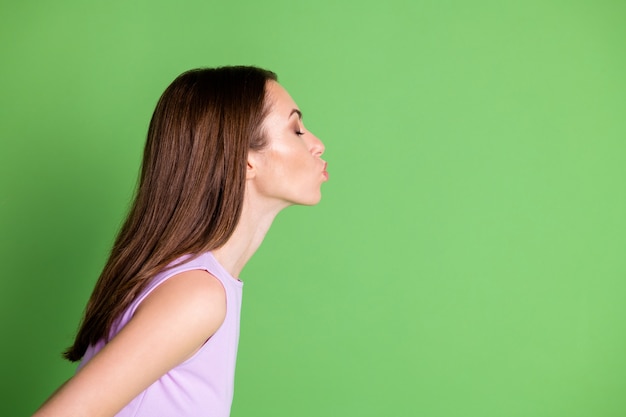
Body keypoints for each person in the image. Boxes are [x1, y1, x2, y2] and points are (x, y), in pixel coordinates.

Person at [33, 66, 328, 417]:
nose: (316, 144)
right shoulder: (197, 295)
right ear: (245, 159)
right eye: (296, 129)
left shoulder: (197, 282)